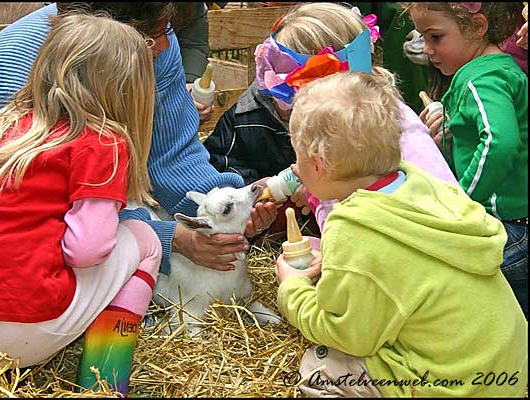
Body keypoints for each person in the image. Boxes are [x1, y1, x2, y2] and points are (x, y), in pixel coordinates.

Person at [0, 3, 276, 280]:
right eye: (154, 35)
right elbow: (37, 218)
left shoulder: (154, 41)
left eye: (165, 30)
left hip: (88, 218)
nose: (164, 45)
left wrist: (224, 216)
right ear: (109, 33)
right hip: (12, 249)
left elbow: (171, 153)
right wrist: (170, 238)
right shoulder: (17, 69)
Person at [0, 14, 161, 397]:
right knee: (146, 239)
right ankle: (104, 379)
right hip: (27, 323)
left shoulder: (1, 130)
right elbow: (86, 250)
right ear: (127, 90)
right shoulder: (102, 142)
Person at [275, 71, 528, 398]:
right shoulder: (423, 186)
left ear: (319, 164)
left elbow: (349, 334)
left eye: (296, 156)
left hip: (451, 387)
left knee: (320, 369)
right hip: (506, 371)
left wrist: (292, 289)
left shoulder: (355, 228)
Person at [203, 3, 457, 240]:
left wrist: (320, 193)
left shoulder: (375, 137)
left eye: (291, 95)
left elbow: (350, 240)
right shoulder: (382, 115)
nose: (282, 105)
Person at [410, 2, 528, 317]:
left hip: (505, 226)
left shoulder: (481, 78)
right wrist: (449, 135)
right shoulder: (495, 69)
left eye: (436, 37)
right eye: (423, 38)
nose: (428, 50)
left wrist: (461, 201)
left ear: (477, 27)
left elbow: (498, 141)